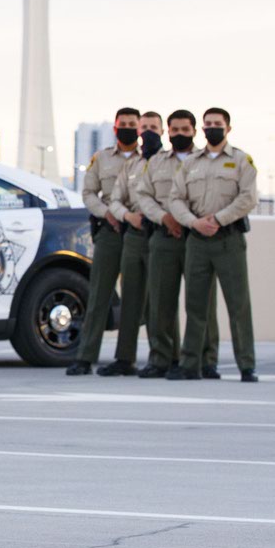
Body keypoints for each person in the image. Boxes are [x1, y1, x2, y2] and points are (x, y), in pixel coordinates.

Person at [168, 107, 259, 382]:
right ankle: (190, 364)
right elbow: (175, 198)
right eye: (207, 124)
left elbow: (248, 198)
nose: (211, 128)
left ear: (228, 128)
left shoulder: (242, 161)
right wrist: (194, 223)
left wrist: (218, 219)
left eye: (217, 124)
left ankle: (247, 364)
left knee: (238, 305)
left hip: (228, 239)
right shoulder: (191, 162)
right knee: (195, 306)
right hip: (197, 240)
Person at [131, 109, 220, 378]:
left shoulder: (206, 161)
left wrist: (190, 220)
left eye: (185, 130)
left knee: (202, 303)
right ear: (167, 132)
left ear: (194, 130)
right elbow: (143, 196)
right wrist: (164, 217)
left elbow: (213, 197)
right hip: (163, 237)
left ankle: (206, 359)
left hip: (198, 238)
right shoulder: (156, 162)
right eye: (175, 130)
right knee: (160, 301)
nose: (179, 134)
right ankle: (161, 358)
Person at [67, 107, 142, 376]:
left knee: (133, 297)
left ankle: (126, 358)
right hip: (109, 232)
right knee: (99, 294)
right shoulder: (101, 159)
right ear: (115, 127)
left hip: (138, 233)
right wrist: (106, 213)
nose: (128, 128)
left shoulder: (149, 160)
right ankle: (85, 357)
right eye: (123, 124)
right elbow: (88, 194)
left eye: (133, 124)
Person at [104, 111, 163, 375]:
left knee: (159, 301)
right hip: (135, 236)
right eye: (145, 127)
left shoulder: (171, 163)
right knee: (130, 299)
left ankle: (162, 357)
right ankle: (124, 358)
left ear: (162, 131)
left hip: (161, 235)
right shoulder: (132, 165)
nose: (148, 131)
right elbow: (115, 200)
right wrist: (128, 216)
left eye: (153, 127)